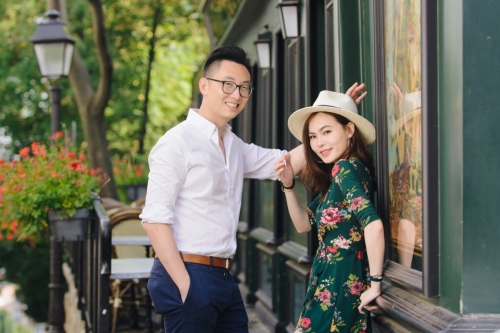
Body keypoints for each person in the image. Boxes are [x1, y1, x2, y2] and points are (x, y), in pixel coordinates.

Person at [140, 44, 367, 333]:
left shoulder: (233, 146)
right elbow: (155, 221)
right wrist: (186, 286)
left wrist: (333, 117)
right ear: (204, 86)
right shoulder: (176, 143)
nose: (236, 95)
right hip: (187, 274)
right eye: (228, 84)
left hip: (222, 277)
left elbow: (284, 162)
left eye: (244, 87)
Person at [274, 91, 385, 333]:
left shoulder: (344, 169)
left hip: (339, 282)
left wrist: (376, 285)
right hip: (333, 279)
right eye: (313, 136)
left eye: (327, 132)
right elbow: (304, 224)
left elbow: (373, 225)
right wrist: (288, 186)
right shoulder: (346, 172)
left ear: (349, 130)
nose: (318, 143)